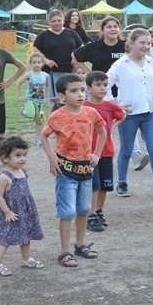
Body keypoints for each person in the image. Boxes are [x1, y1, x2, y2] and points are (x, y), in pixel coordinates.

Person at [40, 73, 106, 268]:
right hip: (66, 171)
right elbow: (44, 136)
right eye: (74, 91)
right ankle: (65, 251)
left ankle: (80, 244)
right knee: (67, 211)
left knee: (84, 209)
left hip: (86, 170)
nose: (80, 95)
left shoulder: (91, 114)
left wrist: (97, 154)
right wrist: (52, 157)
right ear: (62, 97)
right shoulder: (57, 116)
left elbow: (103, 132)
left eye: (82, 90)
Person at [108, 29, 153, 198]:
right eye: (142, 43)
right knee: (127, 149)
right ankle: (122, 183)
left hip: (150, 113)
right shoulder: (120, 64)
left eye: (148, 43)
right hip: (129, 115)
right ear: (131, 43)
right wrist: (116, 105)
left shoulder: (151, 62)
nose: (146, 46)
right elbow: (106, 85)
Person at [72, 16, 145, 167]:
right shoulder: (95, 47)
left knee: (126, 120)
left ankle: (136, 155)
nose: (112, 29)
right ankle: (92, 154)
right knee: (100, 124)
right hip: (99, 93)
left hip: (122, 91)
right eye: (109, 27)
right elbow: (75, 56)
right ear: (103, 30)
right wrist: (87, 73)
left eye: (115, 26)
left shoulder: (125, 46)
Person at [0, 136, 45, 275]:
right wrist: (7, 212)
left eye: (24, 155)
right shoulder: (5, 176)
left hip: (25, 211)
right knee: (6, 238)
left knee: (26, 235)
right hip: (11, 213)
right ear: (5, 158)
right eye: (17, 155)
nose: (22, 158)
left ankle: (26, 259)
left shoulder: (23, 172)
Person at [83, 71, 125, 232]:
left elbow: (122, 114)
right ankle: (91, 214)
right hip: (90, 153)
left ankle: (99, 211)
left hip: (107, 151)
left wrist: (113, 126)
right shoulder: (84, 107)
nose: (102, 88)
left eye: (105, 85)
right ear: (88, 88)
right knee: (93, 185)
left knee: (105, 185)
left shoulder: (110, 106)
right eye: (98, 85)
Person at [33, 9, 84, 105]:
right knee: (54, 100)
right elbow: (36, 50)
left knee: (70, 98)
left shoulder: (71, 33)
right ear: (49, 22)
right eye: (54, 21)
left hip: (70, 71)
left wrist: (75, 58)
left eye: (59, 20)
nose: (57, 23)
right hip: (51, 72)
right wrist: (46, 60)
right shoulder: (43, 36)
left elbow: (81, 48)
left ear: (63, 20)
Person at [16, 52, 51, 147]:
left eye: (39, 62)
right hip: (30, 100)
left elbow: (47, 85)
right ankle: (24, 109)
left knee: (40, 120)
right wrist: (20, 96)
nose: (37, 64)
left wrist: (47, 97)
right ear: (31, 63)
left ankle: (37, 138)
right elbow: (18, 83)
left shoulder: (45, 75)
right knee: (30, 113)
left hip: (41, 102)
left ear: (42, 63)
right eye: (34, 62)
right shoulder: (29, 74)